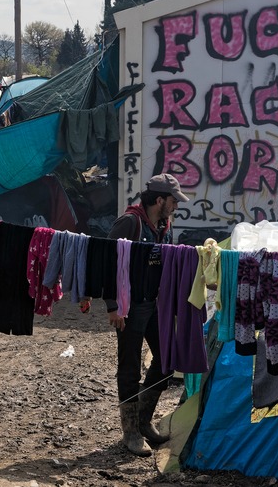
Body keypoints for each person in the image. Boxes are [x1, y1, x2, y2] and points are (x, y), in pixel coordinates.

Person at [105, 173, 189, 457]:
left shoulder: (164, 225)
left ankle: (143, 420)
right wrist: (113, 306)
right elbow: (107, 262)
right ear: (160, 200)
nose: (176, 206)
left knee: (166, 360)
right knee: (129, 367)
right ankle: (130, 432)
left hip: (155, 304)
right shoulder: (130, 223)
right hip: (129, 306)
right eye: (174, 201)